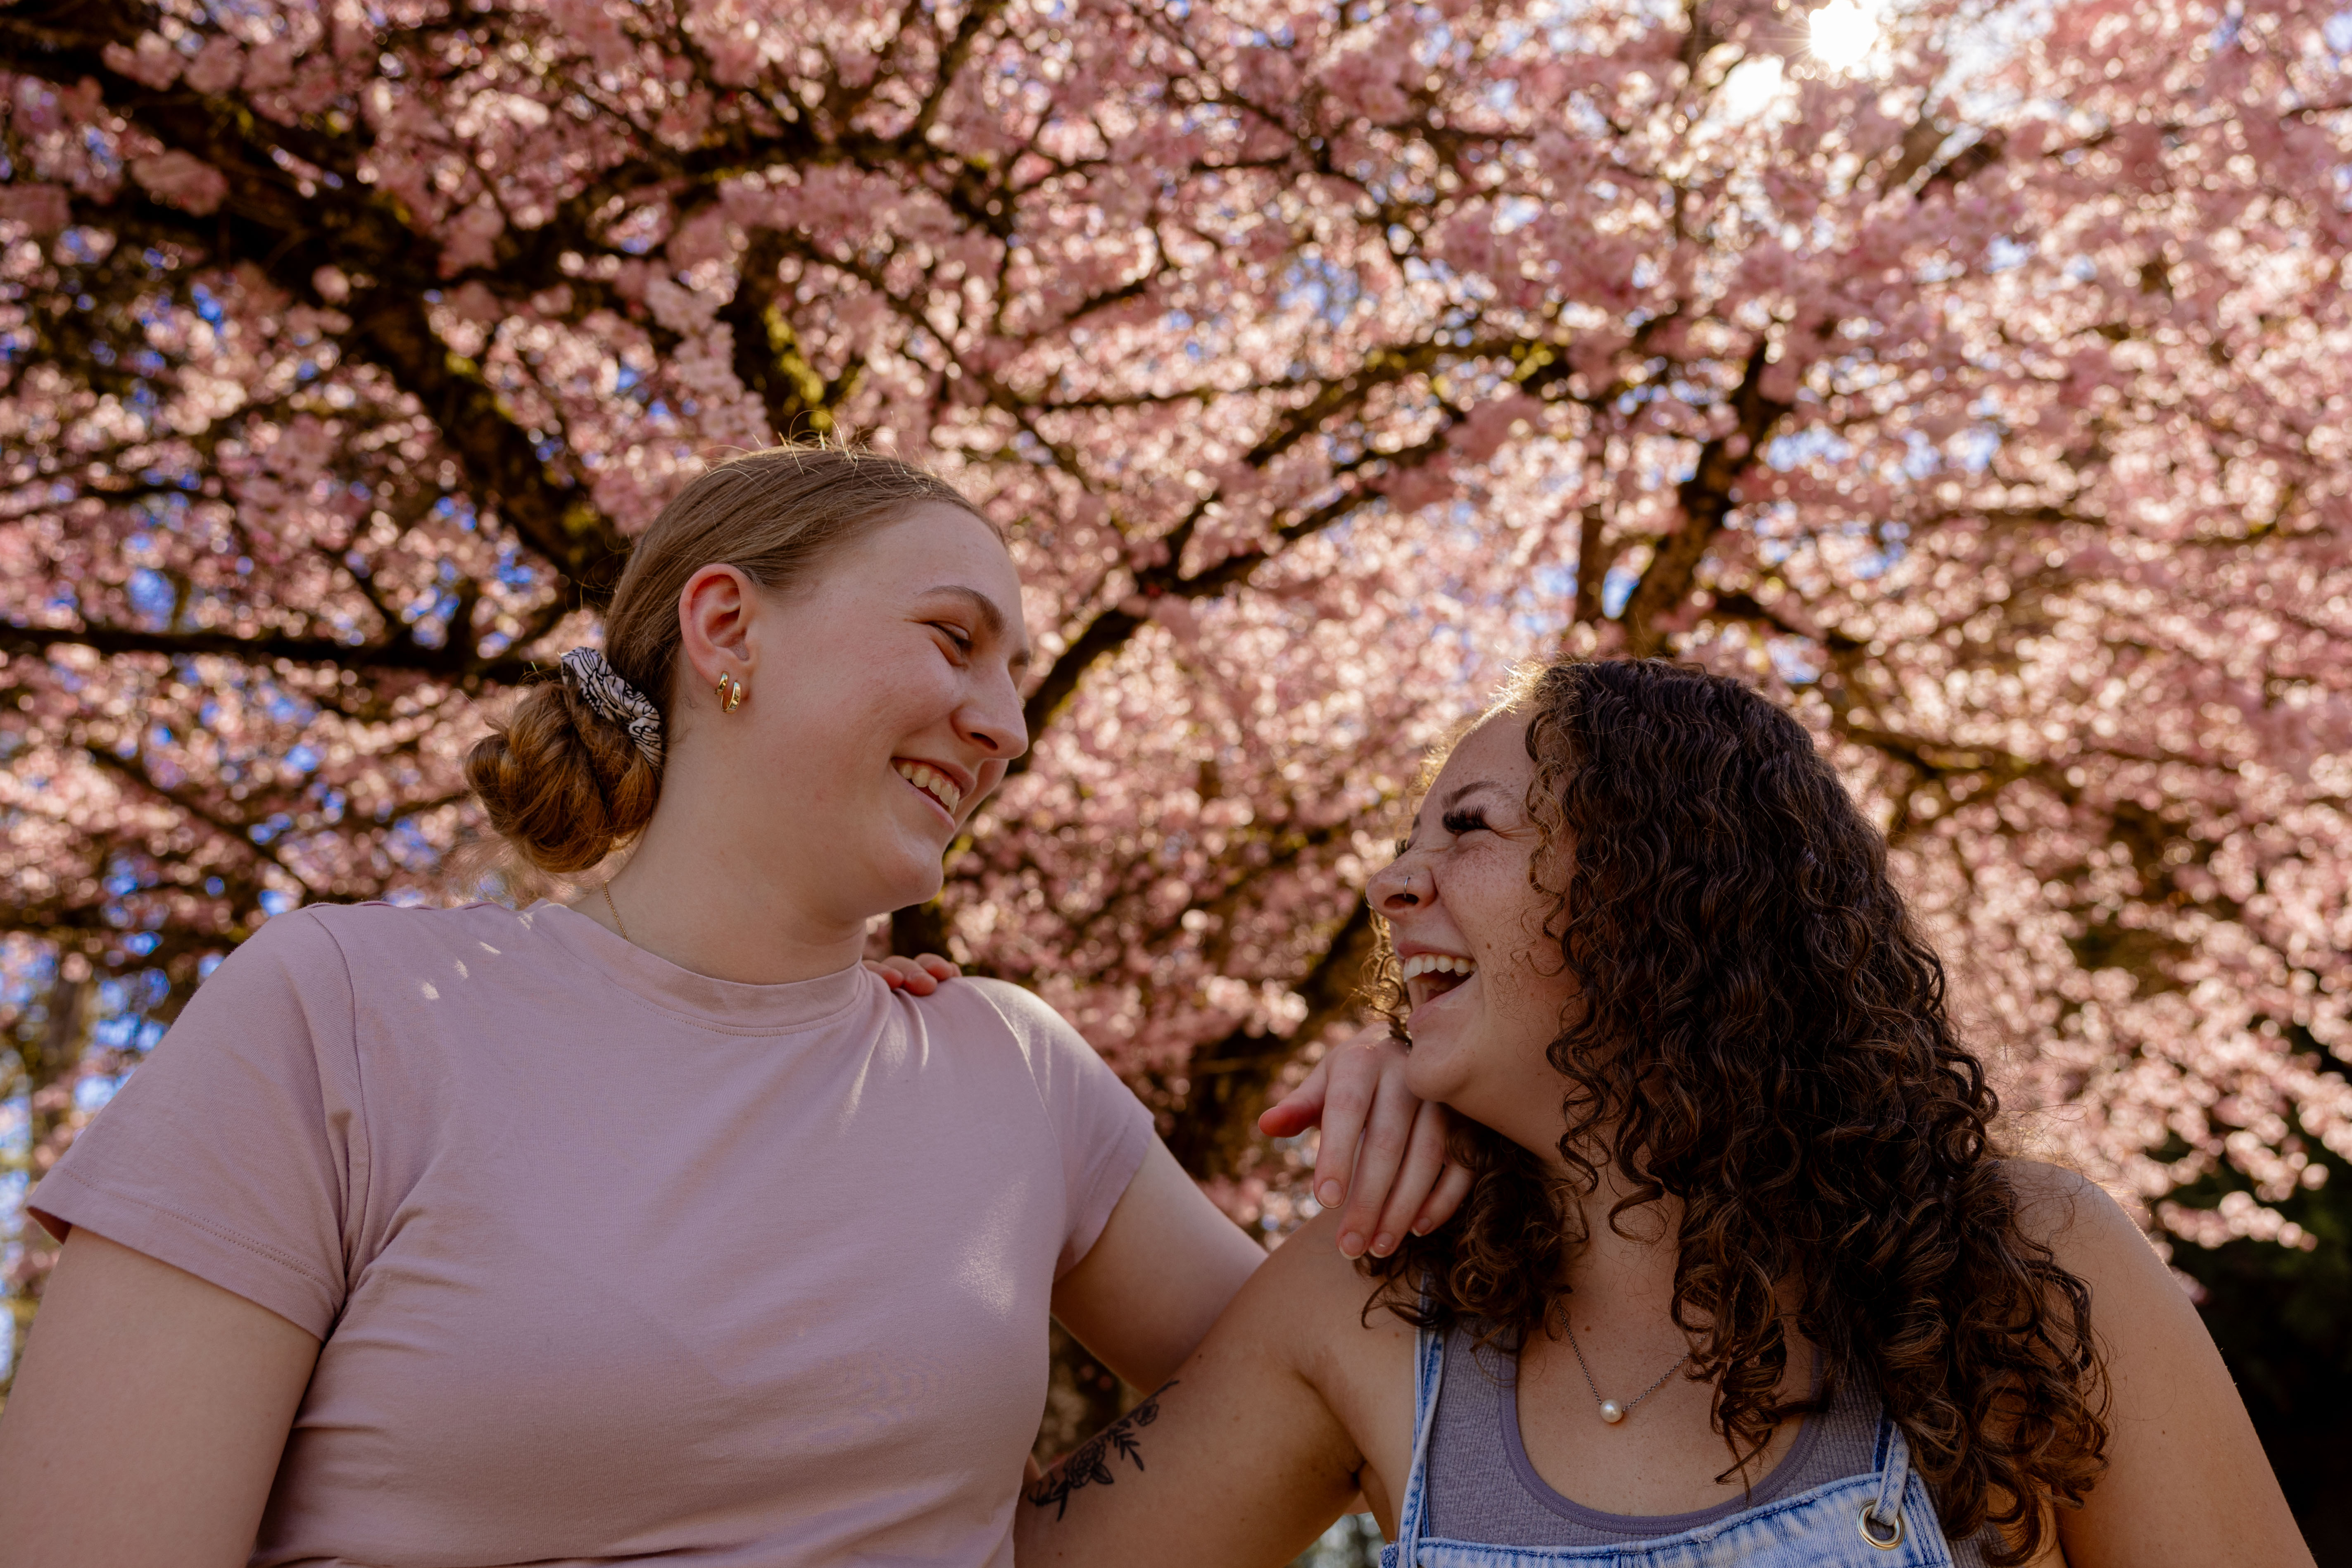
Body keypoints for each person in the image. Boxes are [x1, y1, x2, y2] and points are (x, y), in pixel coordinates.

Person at [0, 444, 1469, 1567]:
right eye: (956, 639)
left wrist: (1423, 1089)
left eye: (1017, 675)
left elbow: (1353, 1382)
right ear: (725, 627)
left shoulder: (1014, 1074)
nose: (1009, 725)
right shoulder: (345, 1010)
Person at [1016, 657, 2313, 1568]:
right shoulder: (1364, 1317)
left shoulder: (2026, 1262)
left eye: (1468, 827)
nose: (1390, 882)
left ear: (1659, 884)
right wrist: (968, 1075)